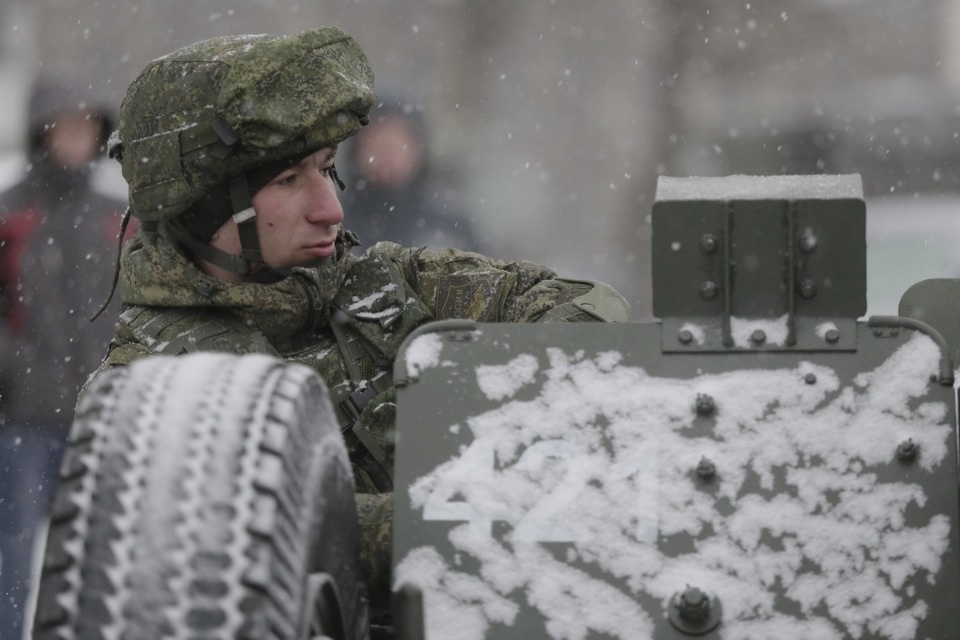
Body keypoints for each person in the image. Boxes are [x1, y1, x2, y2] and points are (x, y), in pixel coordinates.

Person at [90, 26, 628, 630]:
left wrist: (502, 427)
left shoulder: (381, 282)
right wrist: (474, 515)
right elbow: (238, 539)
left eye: (326, 170)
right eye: (289, 181)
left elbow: (587, 309)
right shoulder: (149, 384)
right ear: (206, 206)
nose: (331, 208)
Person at [0, 75, 129, 639]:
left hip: (104, 422)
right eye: (66, 125)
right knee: (13, 554)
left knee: (101, 561)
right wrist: (11, 366)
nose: (78, 137)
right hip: (22, 420)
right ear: (41, 131)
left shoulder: (119, 216)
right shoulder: (9, 213)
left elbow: (141, 305)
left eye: (87, 126)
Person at [340, 87, 482, 252]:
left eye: (398, 143)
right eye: (378, 142)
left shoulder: (450, 224)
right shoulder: (334, 221)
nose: (388, 154)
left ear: (419, 149)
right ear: (357, 149)